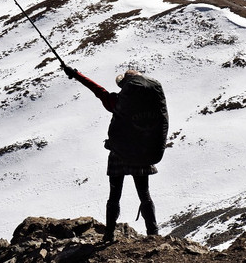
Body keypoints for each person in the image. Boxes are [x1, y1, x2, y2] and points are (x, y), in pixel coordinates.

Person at [62, 65, 168, 240]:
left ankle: (109, 234)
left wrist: (76, 74)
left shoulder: (117, 102)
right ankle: (153, 233)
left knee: (114, 196)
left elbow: (97, 89)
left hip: (119, 153)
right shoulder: (151, 103)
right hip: (142, 154)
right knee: (144, 195)